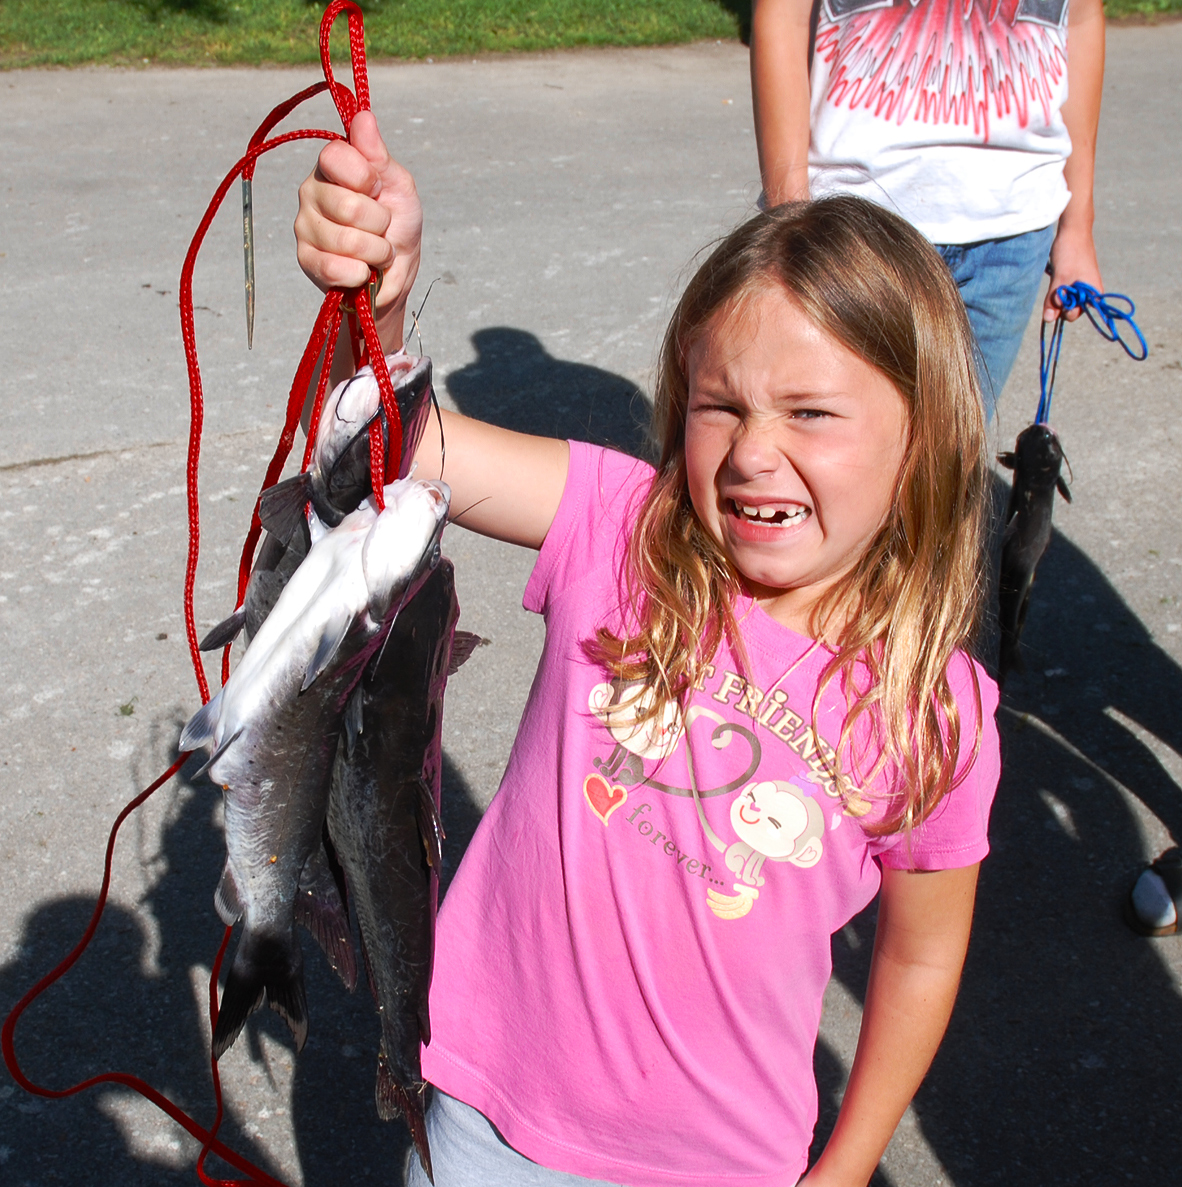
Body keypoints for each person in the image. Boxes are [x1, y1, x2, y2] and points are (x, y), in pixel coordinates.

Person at [294, 111, 1001, 1187]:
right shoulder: (619, 526)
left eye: (811, 411)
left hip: (723, 1162)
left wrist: (850, 1162)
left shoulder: (935, 708)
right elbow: (386, 440)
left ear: (928, 438)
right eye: (722, 404)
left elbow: (922, 949)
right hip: (488, 1112)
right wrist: (378, 297)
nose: (755, 451)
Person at [749, 0, 1106, 420]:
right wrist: (790, 220)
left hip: (1013, 231)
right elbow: (782, 15)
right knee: (847, 450)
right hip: (856, 225)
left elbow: (1080, 19)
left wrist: (1078, 229)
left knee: (953, 450)